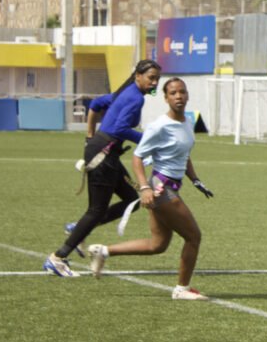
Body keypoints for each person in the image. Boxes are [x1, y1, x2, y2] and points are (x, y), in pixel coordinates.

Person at [86, 77, 214, 301]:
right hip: (160, 189)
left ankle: (103, 251)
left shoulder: (187, 123)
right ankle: (182, 289)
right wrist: (144, 187)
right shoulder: (159, 126)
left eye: (182, 92)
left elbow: (184, 155)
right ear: (165, 98)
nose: (178, 96)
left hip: (172, 186)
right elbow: (138, 157)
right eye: (173, 93)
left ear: (187, 95)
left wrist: (195, 179)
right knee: (194, 236)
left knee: (158, 245)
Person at [45, 59, 162, 277]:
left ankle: (77, 229)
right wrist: (148, 141)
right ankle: (58, 257)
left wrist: (90, 137)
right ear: (137, 76)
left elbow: (97, 105)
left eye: (157, 79)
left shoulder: (127, 93)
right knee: (96, 209)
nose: (154, 82)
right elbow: (121, 128)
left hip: (105, 151)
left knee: (131, 199)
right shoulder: (135, 98)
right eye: (151, 78)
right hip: (104, 153)